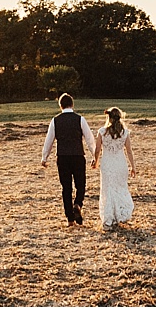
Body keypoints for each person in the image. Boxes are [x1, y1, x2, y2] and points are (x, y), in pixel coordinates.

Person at [40, 93, 96, 226]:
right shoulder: (80, 119)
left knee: (66, 187)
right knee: (80, 184)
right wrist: (95, 155)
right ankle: (78, 204)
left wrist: (44, 157)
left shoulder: (55, 121)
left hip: (63, 157)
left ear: (60, 106)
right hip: (77, 156)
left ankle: (70, 219)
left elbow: (49, 140)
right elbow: (89, 139)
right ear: (72, 104)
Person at [91, 107, 135, 228]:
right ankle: (120, 214)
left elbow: (98, 149)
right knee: (120, 188)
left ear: (108, 118)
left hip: (107, 163)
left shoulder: (102, 132)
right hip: (120, 163)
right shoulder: (124, 133)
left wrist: (95, 161)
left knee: (108, 189)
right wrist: (133, 166)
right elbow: (129, 151)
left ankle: (109, 216)